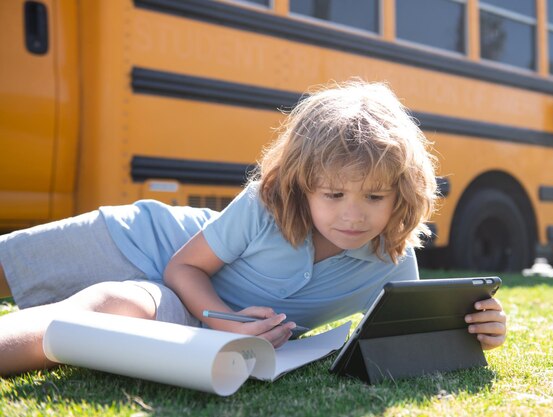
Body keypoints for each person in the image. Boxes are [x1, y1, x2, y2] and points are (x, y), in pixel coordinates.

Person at [0, 81, 507, 377]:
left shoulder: (392, 257)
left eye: (374, 197)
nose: (353, 215)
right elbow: (184, 263)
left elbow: (416, 338)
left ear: (404, 193)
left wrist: (482, 331)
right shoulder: (268, 202)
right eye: (333, 195)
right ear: (302, 183)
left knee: (95, 313)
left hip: (179, 302)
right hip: (144, 239)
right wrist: (224, 319)